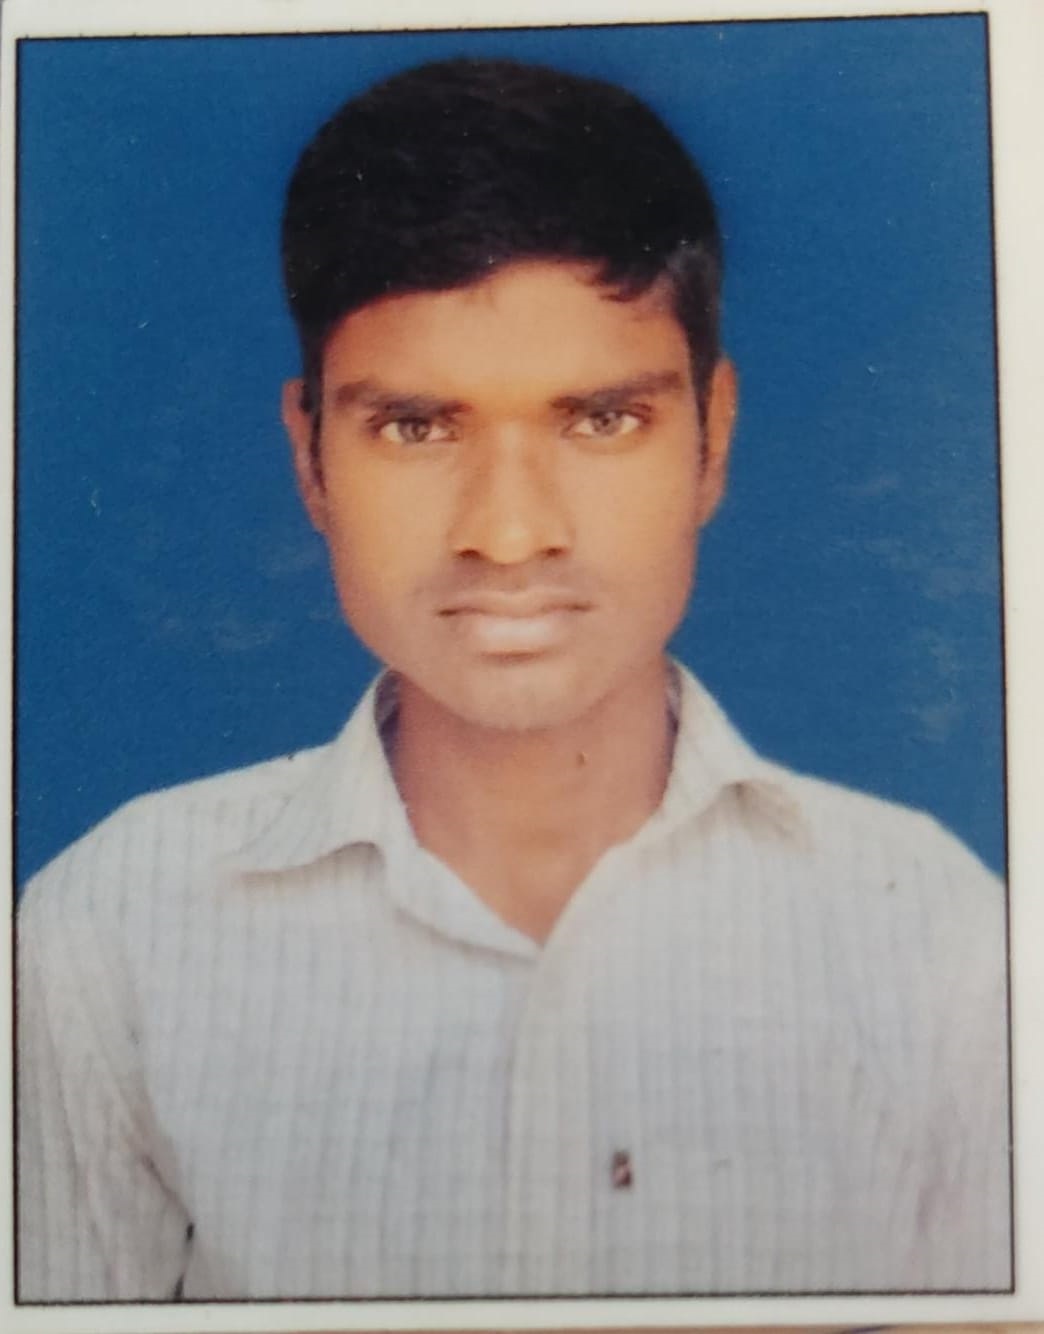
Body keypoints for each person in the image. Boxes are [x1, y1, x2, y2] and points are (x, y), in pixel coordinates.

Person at [16, 57, 1010, 1302]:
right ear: (311, 459)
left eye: (601, 419)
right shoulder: (111, 932)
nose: (509, 530)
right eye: (415, 426)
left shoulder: (936, 935)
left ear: (713, 437)